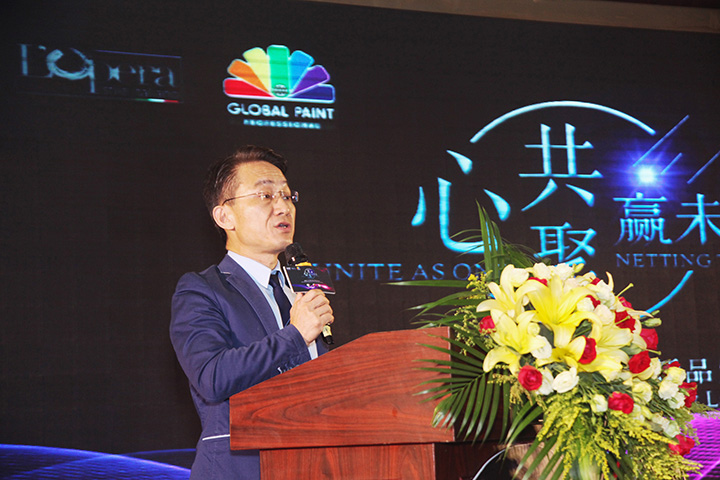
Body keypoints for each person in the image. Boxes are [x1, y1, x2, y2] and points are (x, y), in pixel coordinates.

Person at [170, 145, 334, 479]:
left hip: (316, 465)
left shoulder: (302, 288)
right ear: (224, 217)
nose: (282, 206)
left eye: (287, 196)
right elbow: (212, 376)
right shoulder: (202, 289)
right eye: (265, 195)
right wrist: (296, 335)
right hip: (241, 468)